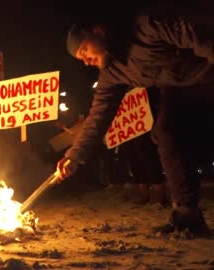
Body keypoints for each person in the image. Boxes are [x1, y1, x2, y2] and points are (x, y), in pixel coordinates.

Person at [57, 8, 214, 236]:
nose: (85, 61)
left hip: (209, 73)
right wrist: (75, 156)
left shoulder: (146, 27)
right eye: (80, 58)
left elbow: (198, 36)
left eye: (84, 50)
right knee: (165, 132)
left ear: (98, 32)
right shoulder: (112, 73)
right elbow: (98, 116)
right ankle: (187, 214)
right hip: (180, 89)